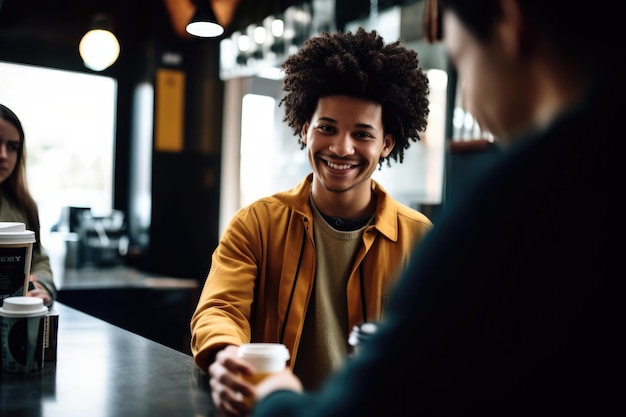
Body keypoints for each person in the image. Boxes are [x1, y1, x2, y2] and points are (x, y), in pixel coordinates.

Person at [249, 0, 621, 416]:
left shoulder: (513, 207)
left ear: (510, 23)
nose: (467, 95)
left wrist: (274, 396)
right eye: (328, 128)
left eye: (461, 59)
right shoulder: (258, 220)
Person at [190, 27, 433, 416]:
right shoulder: (255, 224)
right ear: (305, 129)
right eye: (327, 128)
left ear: (386, 143)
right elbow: (220, 309)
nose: (341, 148)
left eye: (362, 134)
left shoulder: (420, 239)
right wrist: (226, 358)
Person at [0, 103, 56, 307]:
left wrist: (40, 285)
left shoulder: (23, 205)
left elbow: (38, 260)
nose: (3, 155)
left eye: (12, 147)